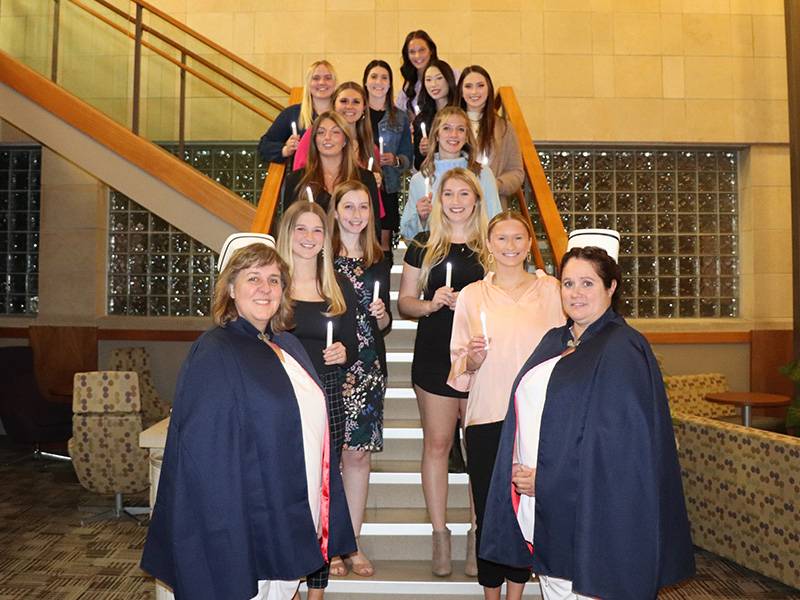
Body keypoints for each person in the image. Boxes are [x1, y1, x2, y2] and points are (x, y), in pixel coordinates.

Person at [480, 231, 696, 600]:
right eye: (567, 283)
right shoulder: (556, 339)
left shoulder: (621, 349)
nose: (575, 293)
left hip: (593, 517)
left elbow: (621, 451)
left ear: (611, 287)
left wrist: (547, 479)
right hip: (545, 507)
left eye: (587, 283)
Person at [140, 233, 356, 600]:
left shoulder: (284, 344)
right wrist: (225, 533)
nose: (265, 288)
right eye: (253, 278)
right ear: (231, 289)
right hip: (245, 518)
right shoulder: (215, 350)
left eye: (274, 280)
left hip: (292, 501)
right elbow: (203, 456)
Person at [447, 211, 565, 595]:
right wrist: (473, 360)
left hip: (537, 419)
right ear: (489, 245)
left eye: (518, 238)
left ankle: (517, 592)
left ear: (529, 244)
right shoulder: (472, 295)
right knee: (489, 512)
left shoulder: (551, 291)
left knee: (524, 511)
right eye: (502, 239)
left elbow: (568, 351)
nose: (510, 247)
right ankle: (490, 593)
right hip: (487, 416)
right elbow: (458, 368)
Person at [397, 167, 490, 577]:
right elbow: (404, 303)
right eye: (448, 193)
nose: (455, 200)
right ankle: (440, 534)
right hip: (434, 353)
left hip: (479, 357)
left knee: (478, 450)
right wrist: (432, 303)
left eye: (463, 193)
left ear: (476, 198)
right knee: (437, 445)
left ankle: (478, 532)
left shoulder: (490, 245)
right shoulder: (422, 245)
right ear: (438, 200)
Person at [275, 203, 360, 600]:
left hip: (327, 394)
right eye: (301, 230)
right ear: (287, 234)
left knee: (325, 489)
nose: (309, 238)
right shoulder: (273, 284)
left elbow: (356, 345)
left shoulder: (338, 284)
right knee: (288, 489)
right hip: (282, 399)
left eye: (317, 231)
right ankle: (285, 582)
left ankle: (317, 592)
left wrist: (345, 352)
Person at [327, 180, 392, 578]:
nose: (355, 214)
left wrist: (383, 314)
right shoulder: (319, 256)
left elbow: (382, 325)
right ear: (335, 212)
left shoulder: (377, 258)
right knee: (327, 459)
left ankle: (350, 542)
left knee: (357, 456)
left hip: (368, 368)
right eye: (348, 206)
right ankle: (327, 543)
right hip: (331, 366)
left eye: (363, 207)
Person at [400, 107, 502, 241]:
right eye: (446, 128)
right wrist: (421, 218)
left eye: (460, 129)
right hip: (435, 254)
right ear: (436, 134)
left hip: (475, 252)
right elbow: (408, 234)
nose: (453, 134)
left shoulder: (482, 174)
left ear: (466, 136)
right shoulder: (420, 179)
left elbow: (495, 221)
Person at [281, 111, 381, 237]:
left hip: (354, 253)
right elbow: (288, 228)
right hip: (311, 252)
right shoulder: (296, 180)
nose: (327, 137)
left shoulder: (365, 179)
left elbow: (374, 227)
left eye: (335, 132)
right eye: (321, 132)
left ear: (345, 140)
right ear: (314, 140)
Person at [363, 60, 413, 252]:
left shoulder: (399, 117)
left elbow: (408, 157)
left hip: (387, 188)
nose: (379, 82)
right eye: (374, 77)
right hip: (362, 185)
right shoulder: (357, 113)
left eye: (384, 77)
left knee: (383, 248)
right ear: (366, 82)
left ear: (390, 83)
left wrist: (396, 160)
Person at [458, 65, 524, 208]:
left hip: (492, 205)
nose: (474, 91)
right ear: (461, 92)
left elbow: (516, 171)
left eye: (480, 85)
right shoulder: (451, 125)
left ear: (489, 89)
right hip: (457, 206)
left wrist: (495, 184)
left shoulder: (504, 127)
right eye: (468, 86)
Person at [258, 60, 337, 164]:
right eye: (316, 78)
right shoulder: (292, 114)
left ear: (335, 83)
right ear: (308, 84)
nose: (322, 82)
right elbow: (264, 147)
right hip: (302, 177)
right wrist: (286, 150)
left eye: (328, 78)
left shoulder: (342, 115)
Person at [412, 60, 460, 170]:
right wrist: (422, 152)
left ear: (449, 80)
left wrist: (435, 147)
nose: (433, 84)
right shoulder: (421, 119)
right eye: (428, 80)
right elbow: (419, 165)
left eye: (439, 78)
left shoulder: (461, 112)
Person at [396, 30, 438, 116]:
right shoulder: (408, 87)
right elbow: (398, 116)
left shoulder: (450, 75)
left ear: (431, 51)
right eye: (412, 52)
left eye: (422, 50)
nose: (417, 56)